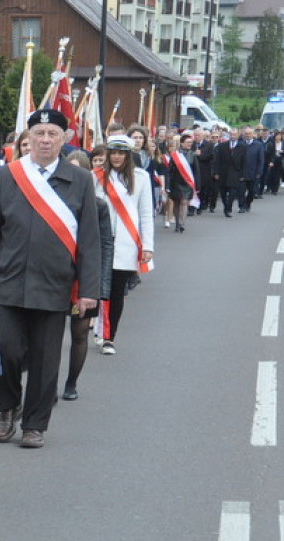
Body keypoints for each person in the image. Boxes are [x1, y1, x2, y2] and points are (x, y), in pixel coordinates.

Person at [0, 109, 101, 449]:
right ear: (28, 137)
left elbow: (89, 239)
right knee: (6, 350)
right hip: (8, 282)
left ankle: (34, 424)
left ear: (64, 139)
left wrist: (89, 291)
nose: (45, 139)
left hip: (54, 285)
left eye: (52, 134)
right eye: (39, 133)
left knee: (46, 360)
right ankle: (7, 408)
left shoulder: (80, 181)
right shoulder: (9, 176)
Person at [93, 136, 154, 357]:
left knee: (116, 293)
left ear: (128, 155)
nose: (117, 157)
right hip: (99, 243)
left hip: (126, 244)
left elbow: (146, 214)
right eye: (113, 152)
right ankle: (98, 328)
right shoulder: (96, 177)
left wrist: (147, 246)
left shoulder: (141, 178)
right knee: (97, 290)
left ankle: (109, 337)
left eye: (121, 153)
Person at [62, 149, 113, 401]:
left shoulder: (99, 206)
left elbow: (105, 246)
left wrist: (100, 288)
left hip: (85, 281)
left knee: (80, 332)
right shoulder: (55, 202)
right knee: (48, 336)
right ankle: (47, 384)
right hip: (58, 279)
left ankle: (71, 382)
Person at [165, 133, 198, 233]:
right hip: (176, 182)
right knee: (177, 203)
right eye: (187, 142)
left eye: (191, 143)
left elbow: (196, 171)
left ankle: (182, 223)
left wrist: (198, 185)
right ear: (182, 143)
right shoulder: (175, 155)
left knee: (184, 202)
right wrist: (167, 184)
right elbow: (169, 171)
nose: (189, 144)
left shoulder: (193, 155)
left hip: (187, 183)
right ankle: (177, 223)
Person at [215, 128, 246, 217]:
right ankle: (226, 205)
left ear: (238, 135)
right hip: (223, 172)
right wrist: (216, 172)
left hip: (235, 172)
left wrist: (243, 174)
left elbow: (244, 161)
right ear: (229, 135)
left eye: (235, 134)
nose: (233, 136)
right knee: (223, 193)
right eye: (231, 134)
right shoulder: (222, 146)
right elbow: (217, 160)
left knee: (233, 192)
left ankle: (228, 208)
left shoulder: (242, 146)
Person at [241, 125, 264, 212]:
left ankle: (248, 203)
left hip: (253, 172)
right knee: (241, 191)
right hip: (242, 172)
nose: (248, 135)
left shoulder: (258, 145)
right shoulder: (241, 144)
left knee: (252, 191)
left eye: (249, 133)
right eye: (246, 133)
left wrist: (259, 172)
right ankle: (242, 206)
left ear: (253, 134)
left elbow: (261, 160)